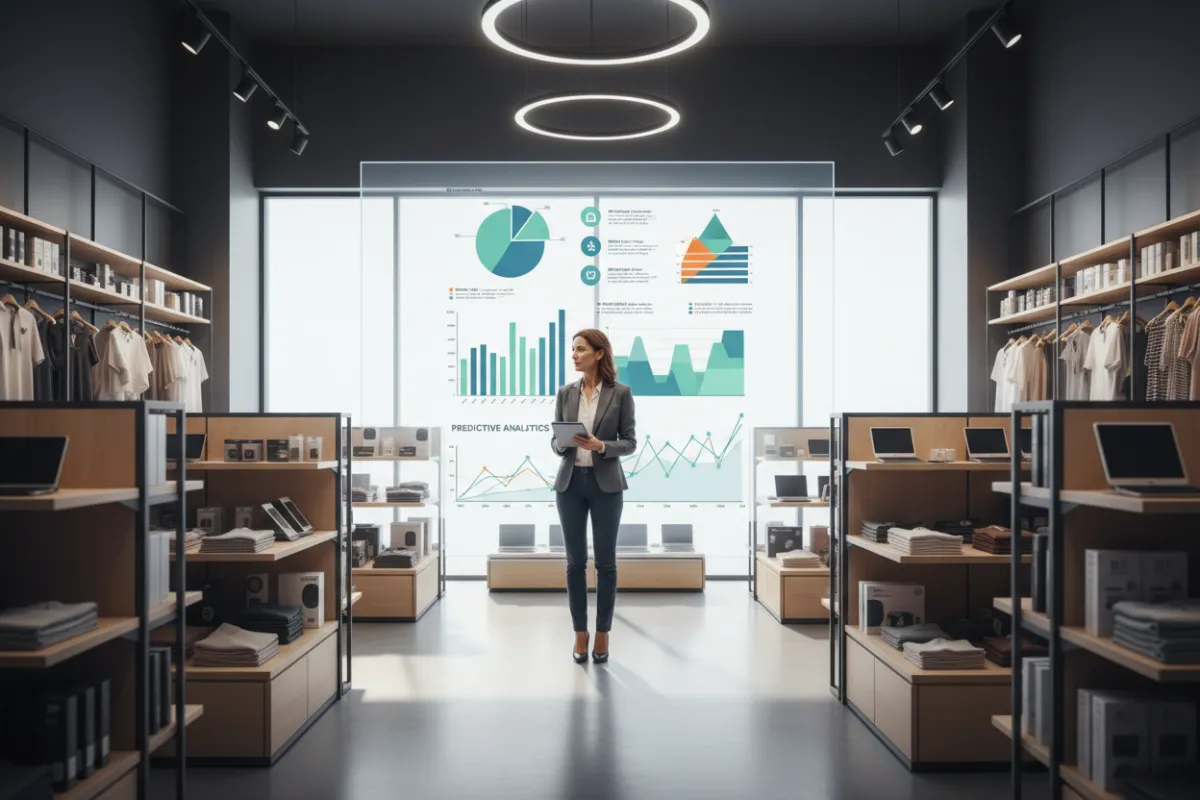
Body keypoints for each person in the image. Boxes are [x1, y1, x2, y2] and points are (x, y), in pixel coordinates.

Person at [551, 328, 636, 664]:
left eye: (580, 349)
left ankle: (602, 633)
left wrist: (602, 445)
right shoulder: (565, 393)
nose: (574, 355)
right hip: (570, 485)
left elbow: (630, 441)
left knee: (606, 564)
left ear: (599, 353)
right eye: (573, 349)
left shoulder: (621, 393)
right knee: (574, 564)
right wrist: (562, 442)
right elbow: (556, 441)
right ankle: (579, 633)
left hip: (606, 486)